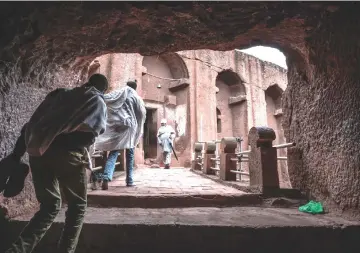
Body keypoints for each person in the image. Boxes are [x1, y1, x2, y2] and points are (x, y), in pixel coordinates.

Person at [4, 74, 108, 253]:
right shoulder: (96, 100)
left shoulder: (59, 94)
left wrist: (16, 155)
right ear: (103, 89)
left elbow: (30, 126)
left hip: (38, 152)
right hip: (67, 155)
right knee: (77, 206)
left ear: (88, 82)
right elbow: (90, 134)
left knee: (50, 206)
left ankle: (17, 250)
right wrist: (65, 147)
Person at [94, 80, 146, 189]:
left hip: (119, 126)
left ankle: (106, 177)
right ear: (135, 88)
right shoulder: (137, 98)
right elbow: (141, 114)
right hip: (130, 128)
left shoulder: (120, 93)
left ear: (127, 85)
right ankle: (129, 181)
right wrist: (138, 129)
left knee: (114, 152)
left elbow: (106, 99)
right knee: (130, 154)